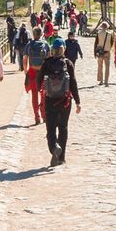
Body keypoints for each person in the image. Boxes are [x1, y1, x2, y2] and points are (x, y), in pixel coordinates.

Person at [39, 37, 81, 165]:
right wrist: (78, 102)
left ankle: (54, 148)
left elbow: (39, 81)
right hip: (65, 101)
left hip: (50, 100)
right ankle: (61, 157)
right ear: (64, 49)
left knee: (50, 129)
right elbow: (73, 83)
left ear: (52, 49)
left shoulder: (46, 63)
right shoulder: (68, 64)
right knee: (63, 128)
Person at [23, 29, 51, 125]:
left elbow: (25, 58)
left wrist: (25, 70)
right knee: (43, 94)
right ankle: (44, 116)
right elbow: (49, 58)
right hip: (43, 72)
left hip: (32, 71)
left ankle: (36, 117)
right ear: (41, 34)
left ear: (34, 34)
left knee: (34, 95)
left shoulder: (29, 45)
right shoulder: (45, 44)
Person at [94, 21, 112, 85]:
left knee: (100, 66)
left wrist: (95, 53)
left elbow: (96, 43)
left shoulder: (98, 33)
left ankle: (101, 80)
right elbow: (111, 43)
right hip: (107, 51)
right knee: (107, 67)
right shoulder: (110, 34)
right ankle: (106, 81)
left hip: (100, 52)